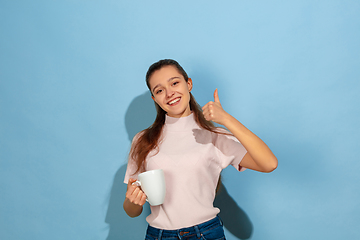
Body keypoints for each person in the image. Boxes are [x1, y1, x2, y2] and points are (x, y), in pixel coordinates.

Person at [123, 59, 278, 240]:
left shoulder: (215, 136)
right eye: (159, 90)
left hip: (205, 234)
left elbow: (269, 163)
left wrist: (227, 119)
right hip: (157, 235)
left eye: (174, 83)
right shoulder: (142, 140)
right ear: (154, 98)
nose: (169, 93)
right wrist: (133, 202)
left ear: (188, 84)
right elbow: (131, 211)